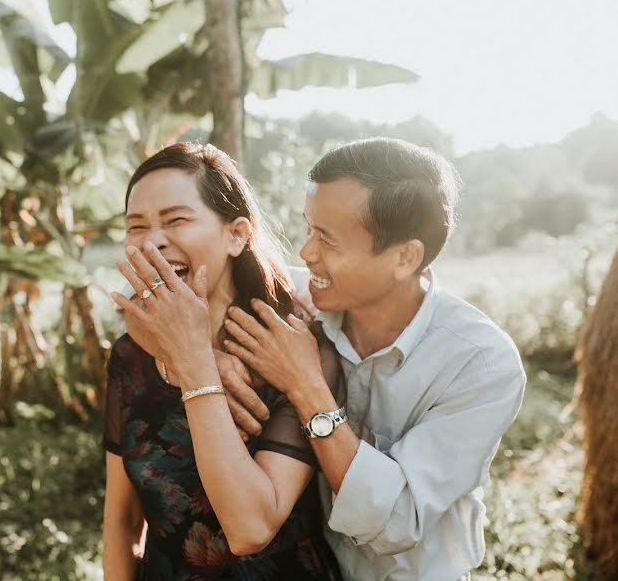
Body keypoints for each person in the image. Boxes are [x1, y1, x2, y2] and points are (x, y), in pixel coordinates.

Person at [218, 138, 527, 580]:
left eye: (327, 239)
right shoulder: (293, 299)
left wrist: (306, 385)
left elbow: (398, 520)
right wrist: (216, 357)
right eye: (308, 229)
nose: (305, 253)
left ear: (405, 257)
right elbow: (162, 299)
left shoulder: (481, 365)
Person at [103, 142, 342, 580]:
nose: (153, 241)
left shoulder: (295, 353)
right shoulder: (129, 357)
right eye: (136, 226)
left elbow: (251, 529)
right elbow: (121, 521)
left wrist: (195, 363)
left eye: (176, 220)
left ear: (237, 235)